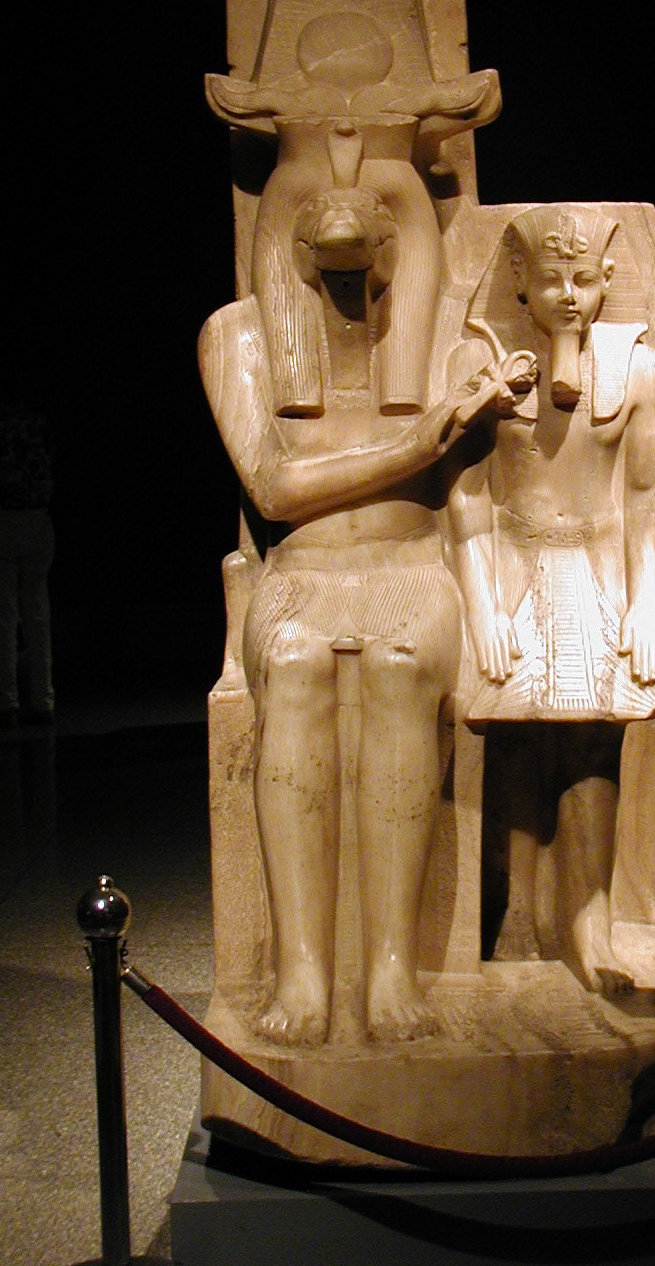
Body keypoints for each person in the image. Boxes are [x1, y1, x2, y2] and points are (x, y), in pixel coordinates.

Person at [201, 185, 510, 1046]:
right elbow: (274, 491)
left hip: (412, 564)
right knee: (294, 666)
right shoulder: (238, 338)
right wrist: (412, 444)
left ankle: (391, 968)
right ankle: (302, 970)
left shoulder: (450, 342)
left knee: (400, 669)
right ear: (288, 252)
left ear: (398, 247)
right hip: (299, 570)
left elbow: (471, 502)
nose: (348, 286)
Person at [448, 205, 655, 996]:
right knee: (515, 739)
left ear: (608, 278)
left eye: (583, 279)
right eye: (550, 280)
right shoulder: (483, 362)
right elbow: (468, 496)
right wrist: (483, 606)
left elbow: (645, 495)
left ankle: (591, 919)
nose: (568, 297)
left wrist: (647, 602)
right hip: (513, 569)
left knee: (594, 745)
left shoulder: (642, 371)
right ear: (520, 280)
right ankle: (518, 910)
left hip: (598, 571)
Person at [0, 378, 55, 726]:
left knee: (1, 619)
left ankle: (7, 700)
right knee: (37, 614)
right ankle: (43, 698)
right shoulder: (41, 427)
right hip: (37, 519)